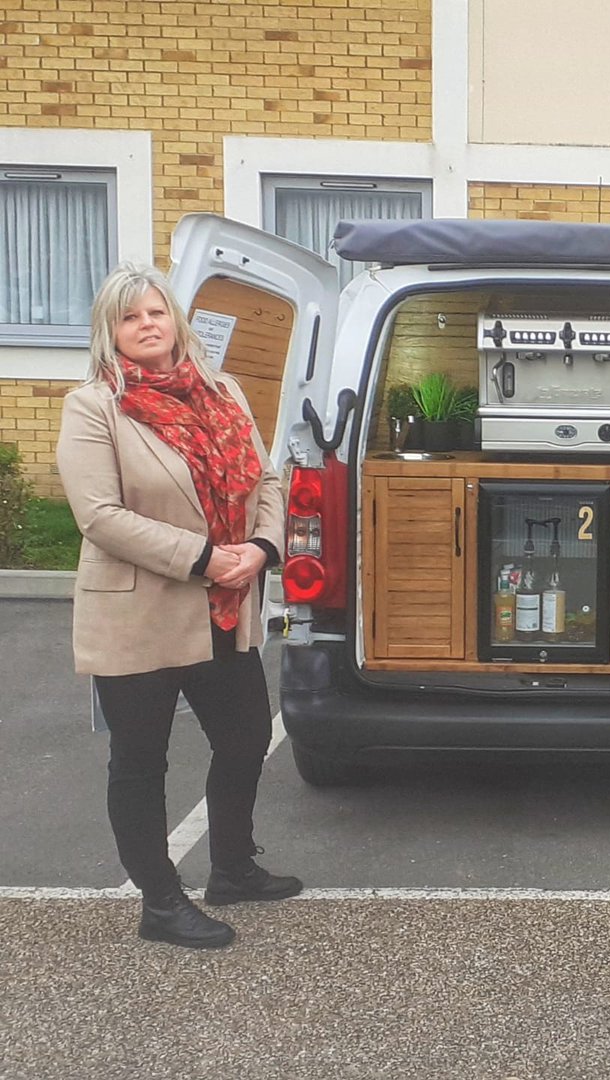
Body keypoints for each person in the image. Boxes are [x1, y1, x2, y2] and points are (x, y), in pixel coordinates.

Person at [56, 263, 303, 949]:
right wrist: (203, 557)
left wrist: (260, 546)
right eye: (131, 317)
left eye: (156, 312)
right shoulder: (93, 406)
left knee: (247, 735)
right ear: (111, 331)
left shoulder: (222, 392)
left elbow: (268, 479)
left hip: (225, 605)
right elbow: (98, 515)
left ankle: (231, 868)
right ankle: (160, 903)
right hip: (138, 614)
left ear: (176, 320)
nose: (147, 325)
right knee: (140, 760)